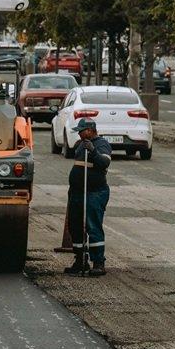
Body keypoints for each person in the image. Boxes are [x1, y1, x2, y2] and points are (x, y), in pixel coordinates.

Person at [64, 117, 112, 277]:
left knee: (93, 226)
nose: (79, 135)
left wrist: (93, 151)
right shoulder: (80, 145)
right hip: (77, 191)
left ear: (90, 130)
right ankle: (80, 260)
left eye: (81, 131)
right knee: (75, 225)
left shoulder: (101, 144)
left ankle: (98, 262)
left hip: (94, 192)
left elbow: (104, 163)